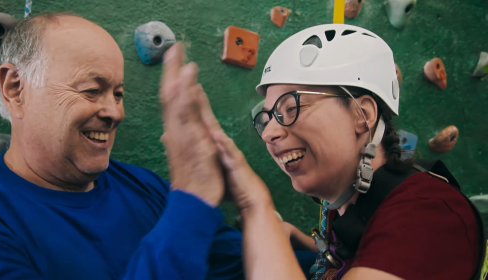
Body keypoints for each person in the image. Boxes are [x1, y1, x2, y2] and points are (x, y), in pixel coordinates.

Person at [0, 13, 317, 279]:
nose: (113, 112)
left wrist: (341, 262)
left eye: (118, 94)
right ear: (15, 88)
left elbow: (238, 265)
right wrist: (193, 198)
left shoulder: (143, 186)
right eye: (91, 90)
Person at [159, 24, 483, 280]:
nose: (270, 132)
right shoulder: (349, 196)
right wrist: (294, 237)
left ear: (362, 114)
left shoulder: (429, 214)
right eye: (267, 117)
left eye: (290, 107)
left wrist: (254, 205)